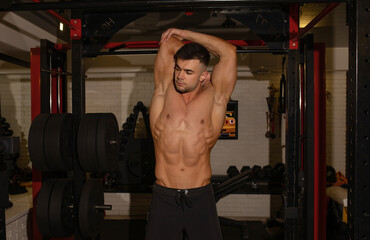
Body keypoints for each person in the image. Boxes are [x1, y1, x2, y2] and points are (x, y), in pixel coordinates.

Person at [147, 28, 237, 240]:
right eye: (178, 69)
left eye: (189, 72)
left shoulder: (216, 96)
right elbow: (169, 43)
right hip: (164, 196)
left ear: (204, 74)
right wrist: (191, 53)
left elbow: (229, 52)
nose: (179, 76)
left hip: (200, 197)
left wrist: (186, 33)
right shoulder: (164, 89)